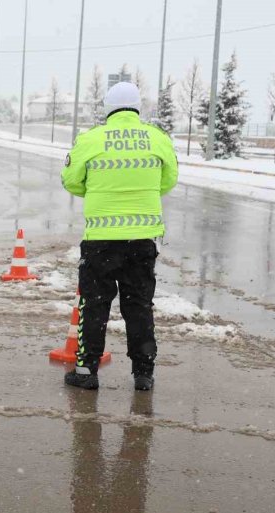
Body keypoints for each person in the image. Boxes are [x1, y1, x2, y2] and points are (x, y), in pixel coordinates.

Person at [60, 82, 178, 391]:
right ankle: (143, 373)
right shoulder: (158, 138)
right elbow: (168, 180)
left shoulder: (90, 139)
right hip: (142, 240)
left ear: (107, 107)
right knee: (139, 305)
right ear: (138, 107)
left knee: (95, 304)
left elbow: (71, 181)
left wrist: (98, 190)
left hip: (100, 240)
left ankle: (86, 371)